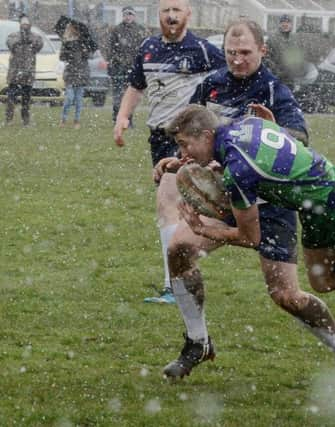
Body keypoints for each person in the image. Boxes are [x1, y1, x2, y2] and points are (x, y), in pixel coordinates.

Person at [157, 102, 335, 399]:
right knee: (323, 283)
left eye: (185, 145)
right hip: (312, 209)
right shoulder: (246, 125)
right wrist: (195, 165)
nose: (184, 153)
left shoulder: (239, 169)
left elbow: (250, 237)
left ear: (207, 135)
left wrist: (203, 228)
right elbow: (279, 143)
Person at [158, 18, 335, 390]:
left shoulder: (274, 89)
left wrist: (276, 129)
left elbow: (299, 138)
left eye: (245, 53)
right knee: (178, 249)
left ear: (263, 51)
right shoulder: (212, 84)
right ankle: (197, 341)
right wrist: (178, 158)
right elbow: (191, 131)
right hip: (226, 196)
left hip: (272, 202)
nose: (237, 60)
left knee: (286, 295)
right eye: (231, 53)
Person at [113, 0, 225, 304]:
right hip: (158, 139)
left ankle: (175, 284)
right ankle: (183, 271)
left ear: (188, 14)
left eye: (177, 10)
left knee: (167, 208)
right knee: (175, 210)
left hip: (186, 140)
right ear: (158, 15)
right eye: (166, 11)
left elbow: (230, 81)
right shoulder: (148, 48)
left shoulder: (202, 50)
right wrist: (123, 117)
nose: (172, 16)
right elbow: (136, 86)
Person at [106, 6, 148, 125]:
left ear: (134, 16)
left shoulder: (140, 30)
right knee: (118, 95)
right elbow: (111, 49)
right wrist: (115, 60)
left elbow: (143, 48)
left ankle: (129, 119)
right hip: (118, 67)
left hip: (134, 67)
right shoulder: (116, 30)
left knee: (131, 95)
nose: (128, 17)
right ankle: (116, 119)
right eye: (126, 14)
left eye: (130, 14)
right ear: (123, 16)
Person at [5, 14, 43, 127]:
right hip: (15, 72)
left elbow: (39, 46)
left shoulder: (35, 37)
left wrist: (29, 38)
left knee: (26, 99)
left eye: (27, 24)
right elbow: (10, 44)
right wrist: (21, 38)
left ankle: (25, 121)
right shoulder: (13, 36)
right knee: (11, 98)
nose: (25, 26)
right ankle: (9, 119)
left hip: (28, 73)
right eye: (23, 24)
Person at [59, 22, 95, 129]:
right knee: (69, 98)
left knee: (79, 99)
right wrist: (68, 53)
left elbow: (90, 55)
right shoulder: (66, 43)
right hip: (70, 73)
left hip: (82, 72)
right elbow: (61, 57)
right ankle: (63, 119)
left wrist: (85, 52)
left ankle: (77, 120)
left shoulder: (84, 42)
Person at [264, 14, 306, 88]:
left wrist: (297, 75)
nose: (285, 24)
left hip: (291, 79)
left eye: (288, 22)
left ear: (291, 25)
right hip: (277, 78)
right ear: (279, 24)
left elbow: (298, 60)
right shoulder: (272, 39)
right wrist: (276, 71)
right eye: (283, 22)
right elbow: (266, 57)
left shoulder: (295, 40)